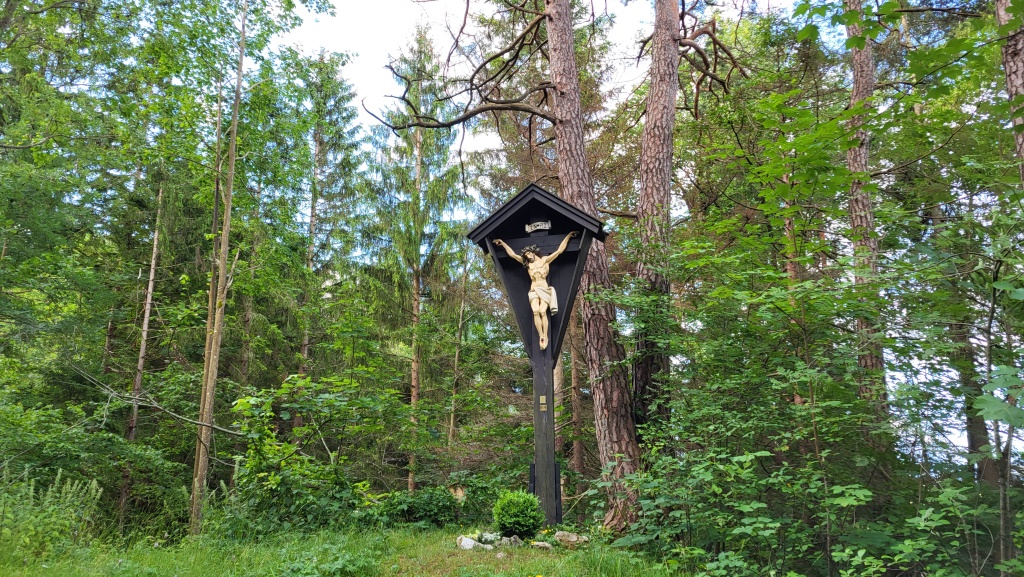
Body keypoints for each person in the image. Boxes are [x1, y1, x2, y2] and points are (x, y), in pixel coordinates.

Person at [493, 231, 578, 349]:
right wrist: (502, 243)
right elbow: (512, 255)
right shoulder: (528, 264)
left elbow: (559, 251)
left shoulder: (545, 260)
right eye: (526, 255)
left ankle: (545, 336)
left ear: (533, 252)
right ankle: (541, 335)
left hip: (544, 289)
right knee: (536, 311)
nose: (528, 256)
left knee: (543, 311)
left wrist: (568, 237)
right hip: (533, 290)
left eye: (529, 253)